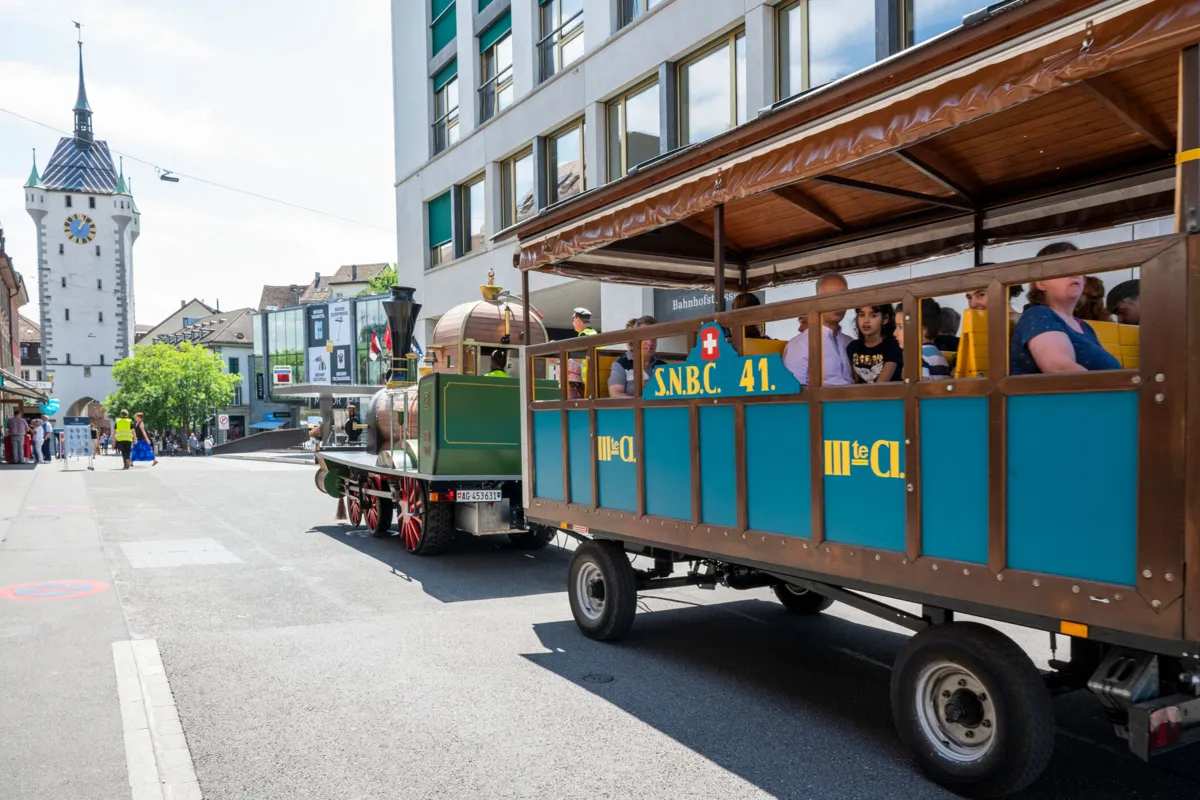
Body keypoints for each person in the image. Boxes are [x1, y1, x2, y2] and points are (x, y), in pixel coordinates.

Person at [1010, 274, 1121, 374]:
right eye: (1064, 270)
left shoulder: (1084, 326)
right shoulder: (1038, 314)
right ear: (1041, 284)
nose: (1075, 275)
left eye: (1081, 271)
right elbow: (1061, 370)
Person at [782, 272, 854, 386]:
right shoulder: (799, 344)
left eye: (843, 297)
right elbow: (795, 392)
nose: (838, 303)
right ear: (818, 300)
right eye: (830, 297)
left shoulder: (850, 342)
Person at [608, 316, 665, 397]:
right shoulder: (621, 364)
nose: (650, 342)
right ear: (635, 338)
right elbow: (616, 394)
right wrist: (644, 404)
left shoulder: (663, 365)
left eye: (654, 338)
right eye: (645, 337)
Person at [847, 305, 903, 383]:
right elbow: (855, 381)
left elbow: (881, 384)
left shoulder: (892, 345)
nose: (866, 320)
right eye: (862, 315)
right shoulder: (853, 347)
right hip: (860, 394)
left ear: (885, 319)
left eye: (873, 315)